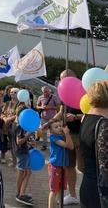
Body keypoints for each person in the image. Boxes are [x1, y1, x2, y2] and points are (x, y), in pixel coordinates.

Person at [44, 69, 83, 205]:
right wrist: (49, 123)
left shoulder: (83, 93)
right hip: (67, 134)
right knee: (70, 166)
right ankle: (72, 195)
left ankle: (89, 193)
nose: (61, 81)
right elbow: (60, 113)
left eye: (64, 78)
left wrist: (76, 117)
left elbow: (90, 113)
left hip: (81, 135)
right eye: (60, 79)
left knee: (84, 167)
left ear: (73, 77)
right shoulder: (65, 94)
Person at [80, 80, 108, 208]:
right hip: (100, 191)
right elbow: (105, 166)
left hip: (88, 184)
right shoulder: (104, 124)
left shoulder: (85, 118)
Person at [48, 121, 74, 208]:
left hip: (63, 166)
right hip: (55, 166)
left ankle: (60, 205)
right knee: (54, 190)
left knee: (61, 189)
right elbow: (67, 145)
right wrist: (67, 134)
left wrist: (67, 134)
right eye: (56, 127)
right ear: (51, 131)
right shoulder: (53, 137)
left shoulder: (63, 136)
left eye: (60, 126)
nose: (59, 128)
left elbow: (71, 147)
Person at [14, 104, 35, 206]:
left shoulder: (21, 125)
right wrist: (28, 135)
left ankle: (21, 192)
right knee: (22, 171)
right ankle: (19, 194)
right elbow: (19, 141)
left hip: (23, 151)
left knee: (27, 172)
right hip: (21, 152)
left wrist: (30, 142)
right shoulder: (20, 126)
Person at [36, 86, 60, 151]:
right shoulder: (40, 97)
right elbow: (37, 106)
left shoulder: (54, 97)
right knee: (44, 132)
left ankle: (54, 145)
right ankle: (44, 145)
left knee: (53, 132)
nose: (45, 93)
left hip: (53, 118)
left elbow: (58, 107)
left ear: (49, 91)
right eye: (44, 92)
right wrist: (42, 107)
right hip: (43, 118)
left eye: (46, 91)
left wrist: (50, 107)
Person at [1, 87, 20, 166]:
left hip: (16, 127)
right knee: (11, 144)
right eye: (11, 92)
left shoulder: (20, 104)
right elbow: (2, 113)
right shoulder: (7, 103)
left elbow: (19, 114)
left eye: (15, 92)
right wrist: (5, 118)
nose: (13, 93)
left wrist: (10, 119)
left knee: (16, 144)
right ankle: (14, 162)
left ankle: (19, 163)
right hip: (7, 127)